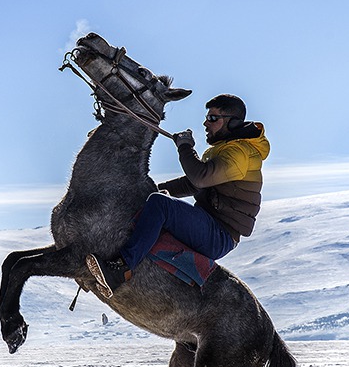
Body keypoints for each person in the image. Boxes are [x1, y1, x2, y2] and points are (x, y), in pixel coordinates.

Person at [86, 94, 270, 300]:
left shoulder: (240, 153)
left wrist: (185, 147)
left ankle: (120, 270)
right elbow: (192, 183)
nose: (205, 123)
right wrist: (150, 190)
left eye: (213, 118)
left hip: (218, 235)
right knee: (155, 204)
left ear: (232, 122)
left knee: (160, 205)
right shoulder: (225, 150)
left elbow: (200, 178)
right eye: (207, 117)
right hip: (211, 227)